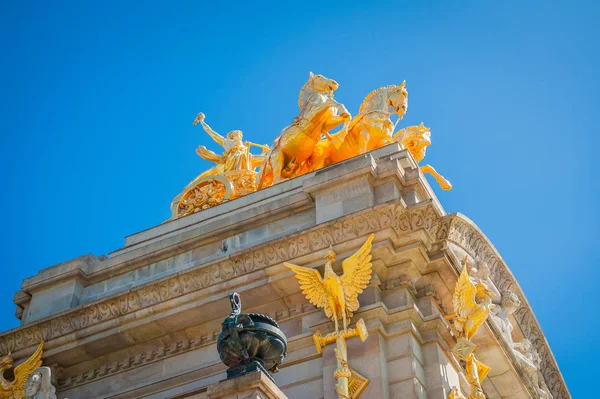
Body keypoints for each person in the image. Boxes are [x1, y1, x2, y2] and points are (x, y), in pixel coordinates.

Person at [191, 112, 268, 181]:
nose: (240, 136)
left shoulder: (244, 148)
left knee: (266, 159)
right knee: (243, 156)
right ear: (232, 136)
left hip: (247, 157)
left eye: (241, 135)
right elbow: (212, 133)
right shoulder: (228, 142)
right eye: (237, 134)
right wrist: (202, 121)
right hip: (234, 159)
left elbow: (251, 159)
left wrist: (263, 152)